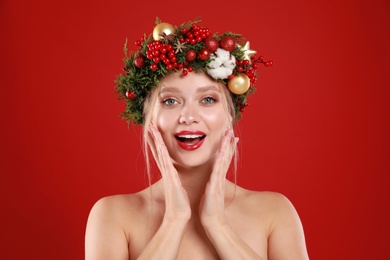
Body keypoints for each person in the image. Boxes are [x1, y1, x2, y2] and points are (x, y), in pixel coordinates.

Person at [85, 18, 309, 259]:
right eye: (170, 101)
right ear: (149, 119)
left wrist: (218, 225)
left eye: (207, 100)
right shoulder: (112, 216)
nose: (188, 117)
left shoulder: (274, 213)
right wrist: (173, 220)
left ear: (229, 114)